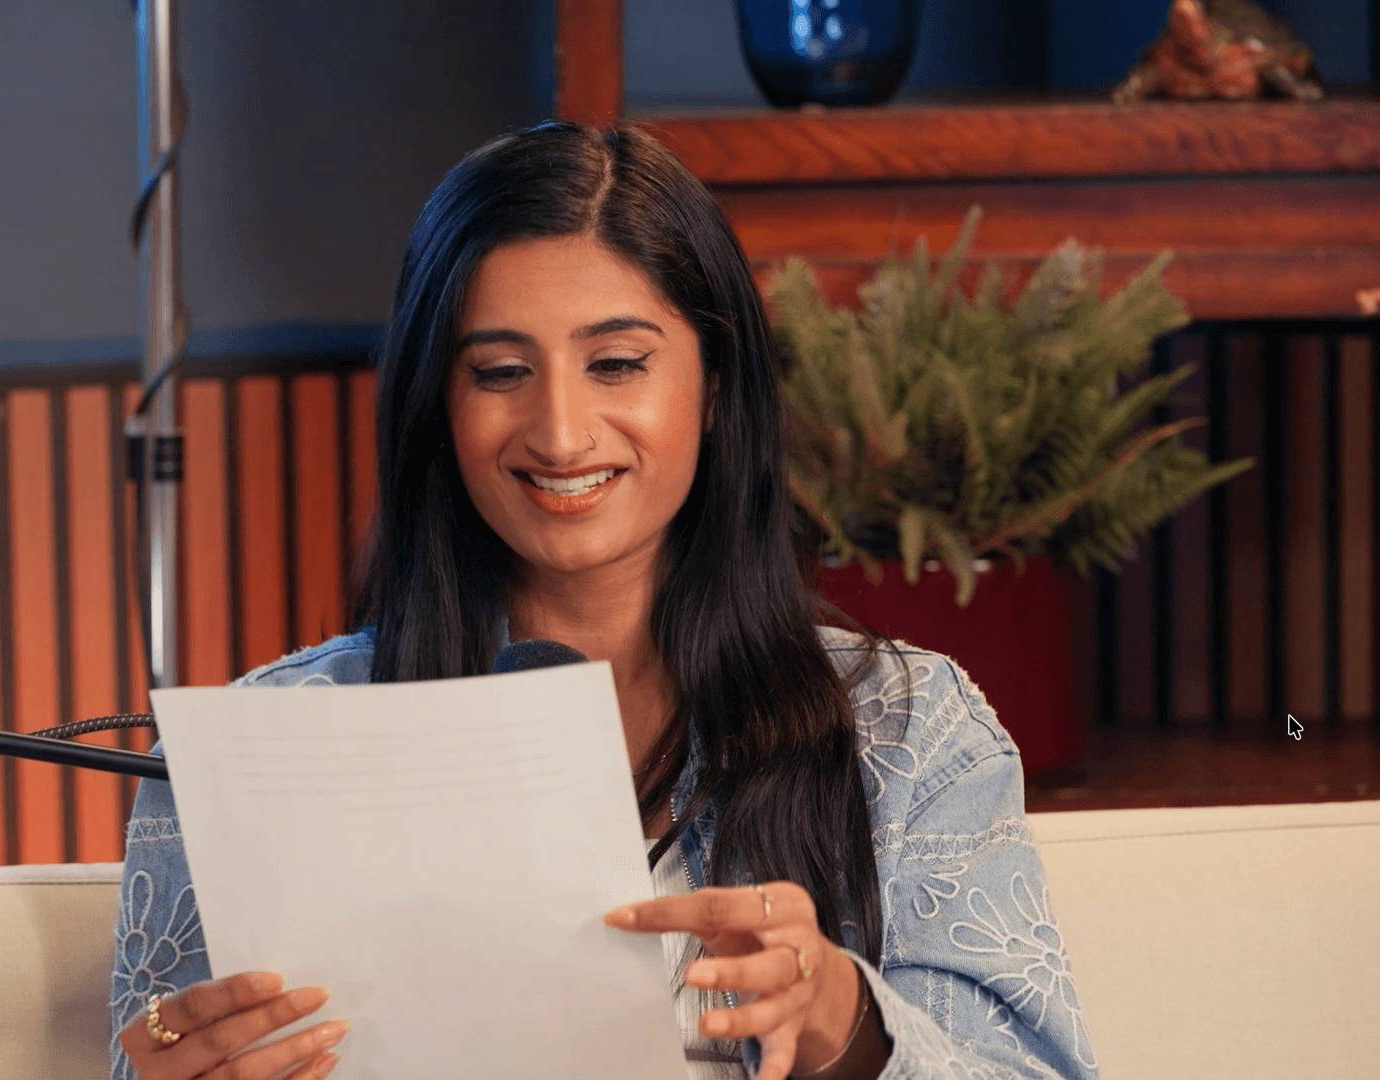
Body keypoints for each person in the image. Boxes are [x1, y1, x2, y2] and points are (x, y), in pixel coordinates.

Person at [109, 122, 1097, 1080]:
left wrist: (844, 1023)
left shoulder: (910, 734)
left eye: (618, 363)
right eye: (500, 373)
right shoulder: (255, 752)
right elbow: (151, 1040)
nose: (562, 432)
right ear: (434, 405)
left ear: (715, 386)